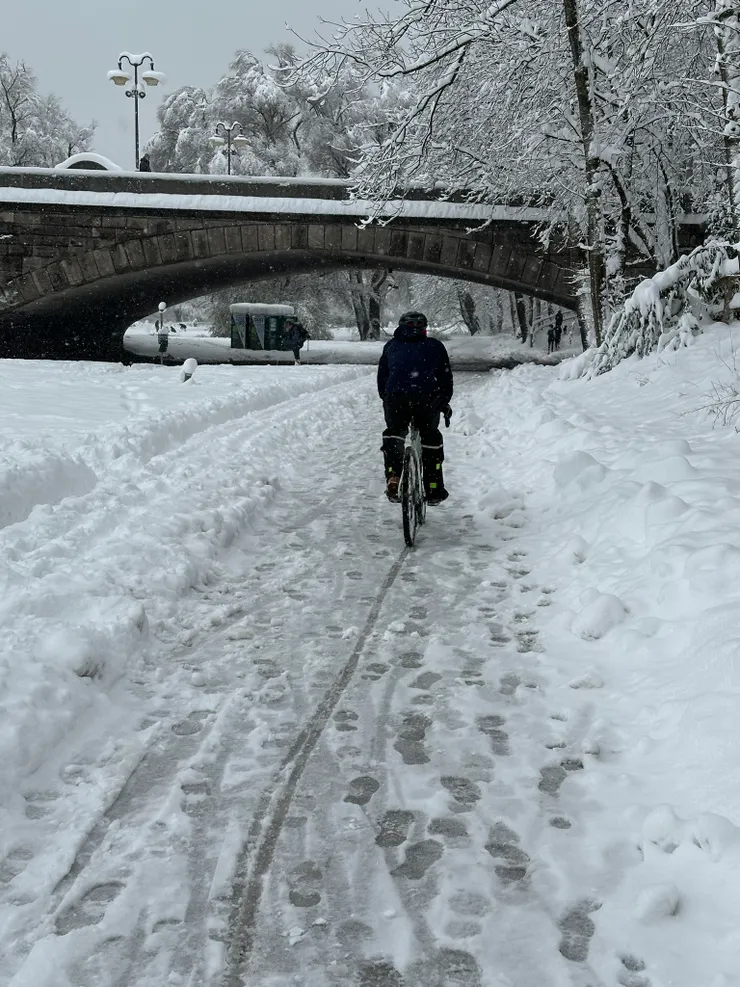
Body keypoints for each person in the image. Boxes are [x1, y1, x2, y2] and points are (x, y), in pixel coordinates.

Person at [377, 311, 453, 505]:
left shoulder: (391, 346)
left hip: (396, 397)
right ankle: (433, 488)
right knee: (430, 436)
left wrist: (387, 398)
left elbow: (382, 377)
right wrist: (443, 400)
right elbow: (445, 377)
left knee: (395, 433)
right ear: (424, 328)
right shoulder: (435, 346)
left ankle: (394, 475)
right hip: (426, 399)